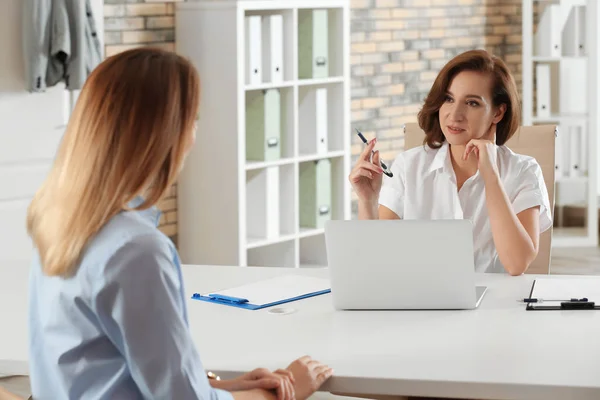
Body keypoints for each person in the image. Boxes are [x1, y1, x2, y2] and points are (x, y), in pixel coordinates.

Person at [26, 48, 333, 400]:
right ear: (164, 133)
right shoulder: (135, 251)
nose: (194, 133)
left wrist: (221, 387)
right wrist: (282, 393)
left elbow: (98, 369)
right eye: (193, 118)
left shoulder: (57, 221)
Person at [349, 49, 552, 275]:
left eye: (472, 103)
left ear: (498, 112)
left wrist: (490, 174)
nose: (454, 115)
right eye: (448, 99)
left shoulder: (523, 170)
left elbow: (517, 264)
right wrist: (368, 201)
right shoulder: (409, 166)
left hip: (494, 306)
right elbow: (377, 260)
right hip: (422, 303)